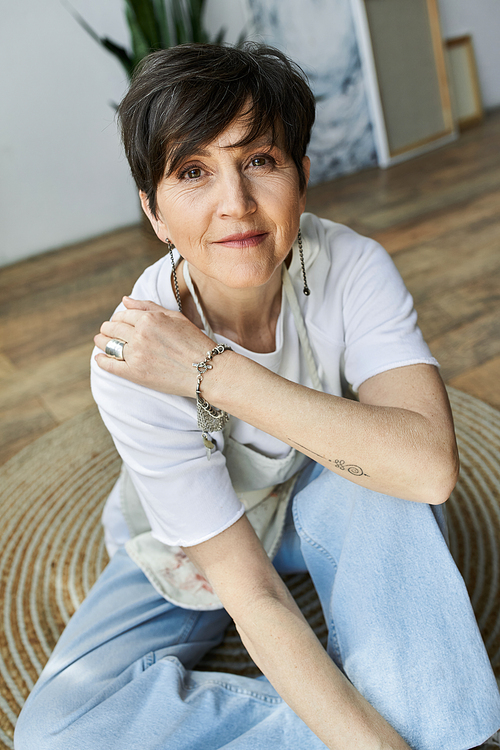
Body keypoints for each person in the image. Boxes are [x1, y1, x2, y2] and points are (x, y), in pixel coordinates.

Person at [15, 43, 500, 750]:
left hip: (318, 492)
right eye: (192, 172)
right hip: (192, 543)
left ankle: (378, 709)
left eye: (260, 162)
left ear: (302, 176)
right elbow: (254, 593)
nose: (234, 205)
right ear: (152, 211)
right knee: (57, 732)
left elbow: (429, 469)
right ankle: (394, 716)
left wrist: (212, 371)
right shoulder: (132, 354)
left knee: (389, 472)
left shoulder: (352, 265)